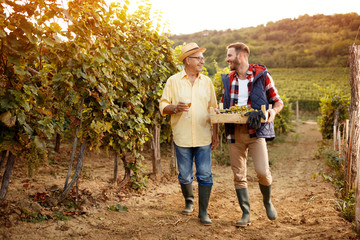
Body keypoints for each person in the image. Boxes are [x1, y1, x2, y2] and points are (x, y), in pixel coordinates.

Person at [220, 42, 283, 227]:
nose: (227, 59)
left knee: (263, 172)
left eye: (229, 55)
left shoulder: (262, 75)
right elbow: (224, 104)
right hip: (234, 133)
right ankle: (246, 213)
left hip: (256, 131)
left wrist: (272, 112)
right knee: (238, 175)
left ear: (240, 56)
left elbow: (277, 102)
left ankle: (267, 201)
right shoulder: (228, 78)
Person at [160, 42, 219, 226]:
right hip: (182, 136)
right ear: (188, 60)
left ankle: (203, 212)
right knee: (185, 175)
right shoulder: (173, 81)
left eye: (202, 57)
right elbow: (163, 106)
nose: (202, 61)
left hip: (203, 136)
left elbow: (214, 109)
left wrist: (215, 134)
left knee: (204, 174)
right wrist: (175, 107)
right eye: (198, 57)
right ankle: (189, 200)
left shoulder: (207, 82)